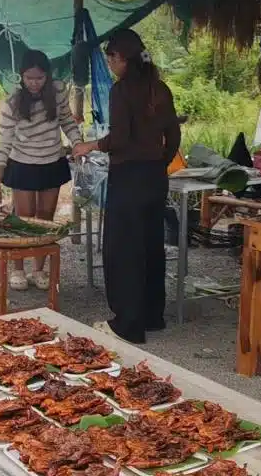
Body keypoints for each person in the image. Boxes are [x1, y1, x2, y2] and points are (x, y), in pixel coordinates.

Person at [73, 29, 181, 345]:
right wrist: (160, 162)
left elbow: (119, 139)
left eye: (111, 57)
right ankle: (152, 315)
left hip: (129, 178)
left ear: (123, 59)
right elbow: (173, 135)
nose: (109, 62)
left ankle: (127, 324)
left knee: (124, 250)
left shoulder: (123, 91)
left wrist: (89, 145)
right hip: (154, 177)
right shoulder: (159, 88)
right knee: (151, 246)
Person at [0, 50, 82, 291]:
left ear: (47, 76)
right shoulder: (12, 102)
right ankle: (18, 269)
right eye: (29, 78)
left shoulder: (59, 92)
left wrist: (78, 142)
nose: (34, 83)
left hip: (52, 161)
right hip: (22, 164)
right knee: (23, 218)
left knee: (44, 218)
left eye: (39, 78)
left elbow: (67, 121)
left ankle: (38, 270)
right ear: (21, 76)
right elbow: (3, 143)